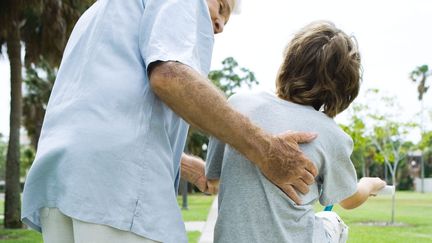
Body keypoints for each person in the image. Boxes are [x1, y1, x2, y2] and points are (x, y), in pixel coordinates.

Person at [21, 1, 319, 243]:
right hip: (117, 192)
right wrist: (266, 150)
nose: (220, 26)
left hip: (60, 185)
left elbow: (104, 118)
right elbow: (170, 77)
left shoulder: (97, 12)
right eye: (222, 9)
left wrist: (191, 168)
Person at [205, 20, 386, 243]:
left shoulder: (235, 106)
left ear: (289, 61)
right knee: (332, 219)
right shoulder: (331, 135)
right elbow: (348, 200)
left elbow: (213, 179)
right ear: (344, 88)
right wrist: (370, 184)